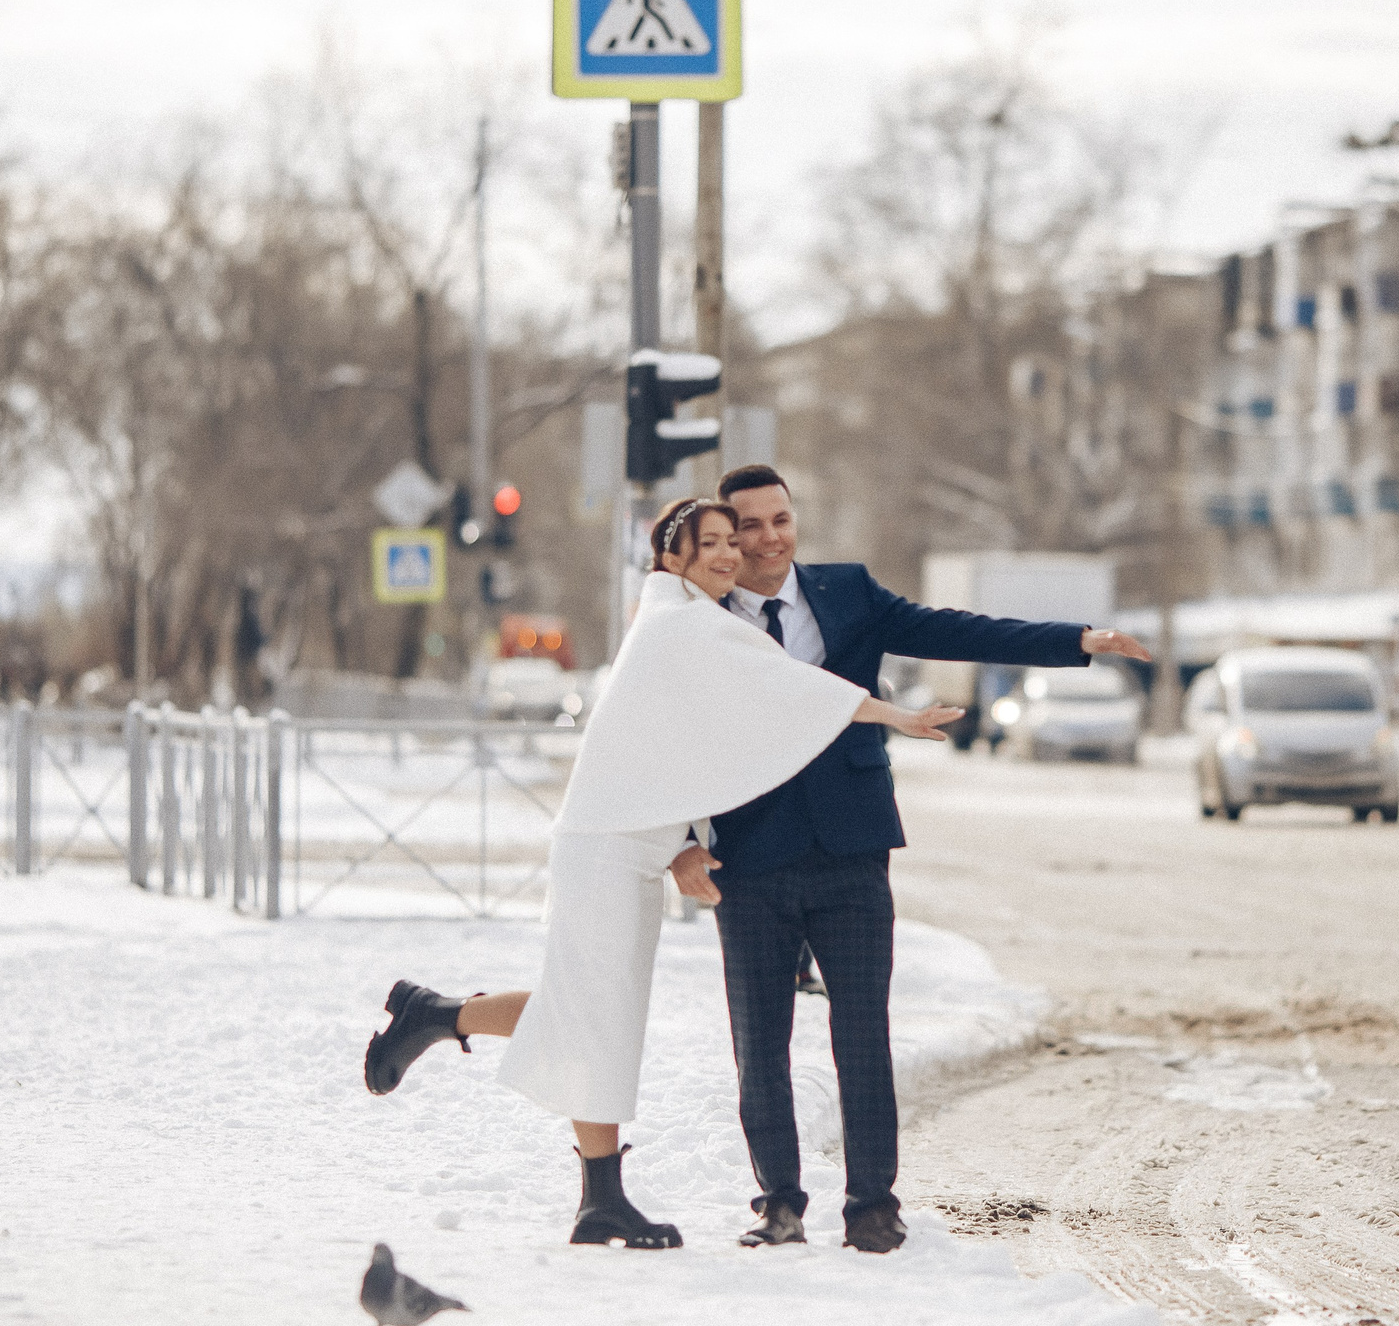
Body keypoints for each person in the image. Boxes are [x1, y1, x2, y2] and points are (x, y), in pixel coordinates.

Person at [358, 497, 963, 1251]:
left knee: (593, 1014)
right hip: (606, 850)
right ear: (671, 558)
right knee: (594, 1017)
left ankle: (459, 1038)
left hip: (628, 853)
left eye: (730, 542)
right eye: (709, 544)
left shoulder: (681, 621)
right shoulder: (686, 623)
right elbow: (790, 690)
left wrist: (687, 841)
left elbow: (698, 746)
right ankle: (569, 1163)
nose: (728, 555)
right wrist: (892, 715)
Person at [692, 464, 1151, 1254]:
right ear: (727, 537)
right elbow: (669, 733)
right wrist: (679, 845)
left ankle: (873, 1204)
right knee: (760, 1045)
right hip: (750, 854)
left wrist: (1077, 640)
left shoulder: (847, 592)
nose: (769, 539)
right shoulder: (699, 617)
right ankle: (779, 1204)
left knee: (863, 1035)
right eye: (750, 526)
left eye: (780, 520)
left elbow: (956, 630)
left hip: (853, 848)